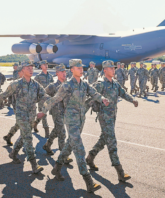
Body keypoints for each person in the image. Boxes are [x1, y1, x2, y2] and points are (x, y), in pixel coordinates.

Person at [37, 59, 110, 193]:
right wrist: (43, 111)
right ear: (72, 70)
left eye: (82, 68)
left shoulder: (85, 84)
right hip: (70, 120)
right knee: (79, 148)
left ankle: (57, 167)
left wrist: (102, 99)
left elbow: (94, 93)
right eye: (78, 68)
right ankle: (88, 181)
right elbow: (54, 99)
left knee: (69, 144)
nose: (81, 70)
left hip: (81, 119)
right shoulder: (66, 86)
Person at [85, 60, 138, 182]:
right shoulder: (100, 84)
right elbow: (90, 97)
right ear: (105, 70)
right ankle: (120, 171)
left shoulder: (115, 83)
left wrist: (133, 100)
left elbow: (123, 94)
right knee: (112, 142)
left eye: (114, 68)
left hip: (113, 116)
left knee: (104, 138)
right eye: (111, 68)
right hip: (104, 117)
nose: (114, 70)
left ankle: (90, 157)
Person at [0, 61, 47, 174]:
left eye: (31, 68)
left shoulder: (35, 84)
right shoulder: (16, 84)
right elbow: (5, 94)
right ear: (22, 71)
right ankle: (34, 165)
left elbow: (44, 95)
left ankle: (13, 153)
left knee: (24, 135)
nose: (31, 70)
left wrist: (54, 101)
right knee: (28, 137)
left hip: (32, 115)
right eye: (28, 68)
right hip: (21, 115)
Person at [41, 64, 73, 164]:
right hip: (56, 112)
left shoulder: (68, 85)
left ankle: (47, 145)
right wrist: (50, 102)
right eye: (62, 72)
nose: (64, 74)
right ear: (57, 73)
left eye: (65, 72)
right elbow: (43, 94)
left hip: (66, 112)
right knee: (62, 132)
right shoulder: (52, 86)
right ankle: (63, 156)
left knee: (57, 129)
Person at [3, 65, 23, 145]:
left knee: (19, 123)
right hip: (17, 106)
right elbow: (6, 93)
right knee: (23, 124)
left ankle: (8, 136)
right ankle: (24, 144)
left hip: (26, 107)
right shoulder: (15, 83)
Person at [33, 60, 54, 138]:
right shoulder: (38, 77)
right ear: (41, 66)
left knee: (42, 115)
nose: (46, 65)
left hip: (49, 99)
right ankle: (47, 131)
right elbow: (34, 87)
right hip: (42, 99)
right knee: (44, 115)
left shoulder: (50, 76)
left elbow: (53, 88)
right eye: (44, 64)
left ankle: (35, 124)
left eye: (46, 64)